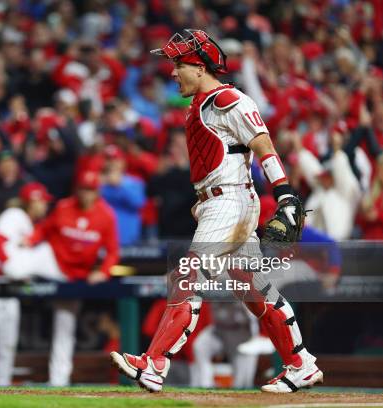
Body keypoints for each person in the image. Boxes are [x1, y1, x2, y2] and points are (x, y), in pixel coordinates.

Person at [110, 29, 323, 393]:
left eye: (178, 64)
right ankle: (300, 363)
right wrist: (205, 198)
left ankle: (154, 362)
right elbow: (224, 157)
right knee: (251, 287)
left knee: (186, 276)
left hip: (230, 202)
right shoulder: (200, 105)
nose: (173, 72)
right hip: (220, 201)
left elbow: (263, 144)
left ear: (198, 65)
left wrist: (285, 194)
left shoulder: (227, 98)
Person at [26, 171, 119, 386]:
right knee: (16, 265)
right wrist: (30, 239)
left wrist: (103, 272)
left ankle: (58, 380)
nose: (86, 194)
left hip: (76, 276)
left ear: (97, 192)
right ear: (78, 189)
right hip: (53, 264)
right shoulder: (64, 207)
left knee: (64, 325)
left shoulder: (106, 215)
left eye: (90, 190)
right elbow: (44, 229)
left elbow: (113, 251)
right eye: (83, 189)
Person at [0, 181, 54, 386]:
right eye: (42, 201)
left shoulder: (31, 226)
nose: (45, 205)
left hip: (10, 289)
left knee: (7, 344)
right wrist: (13, 268)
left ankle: (1, 390)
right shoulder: (14, 215)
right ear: (32, 202)